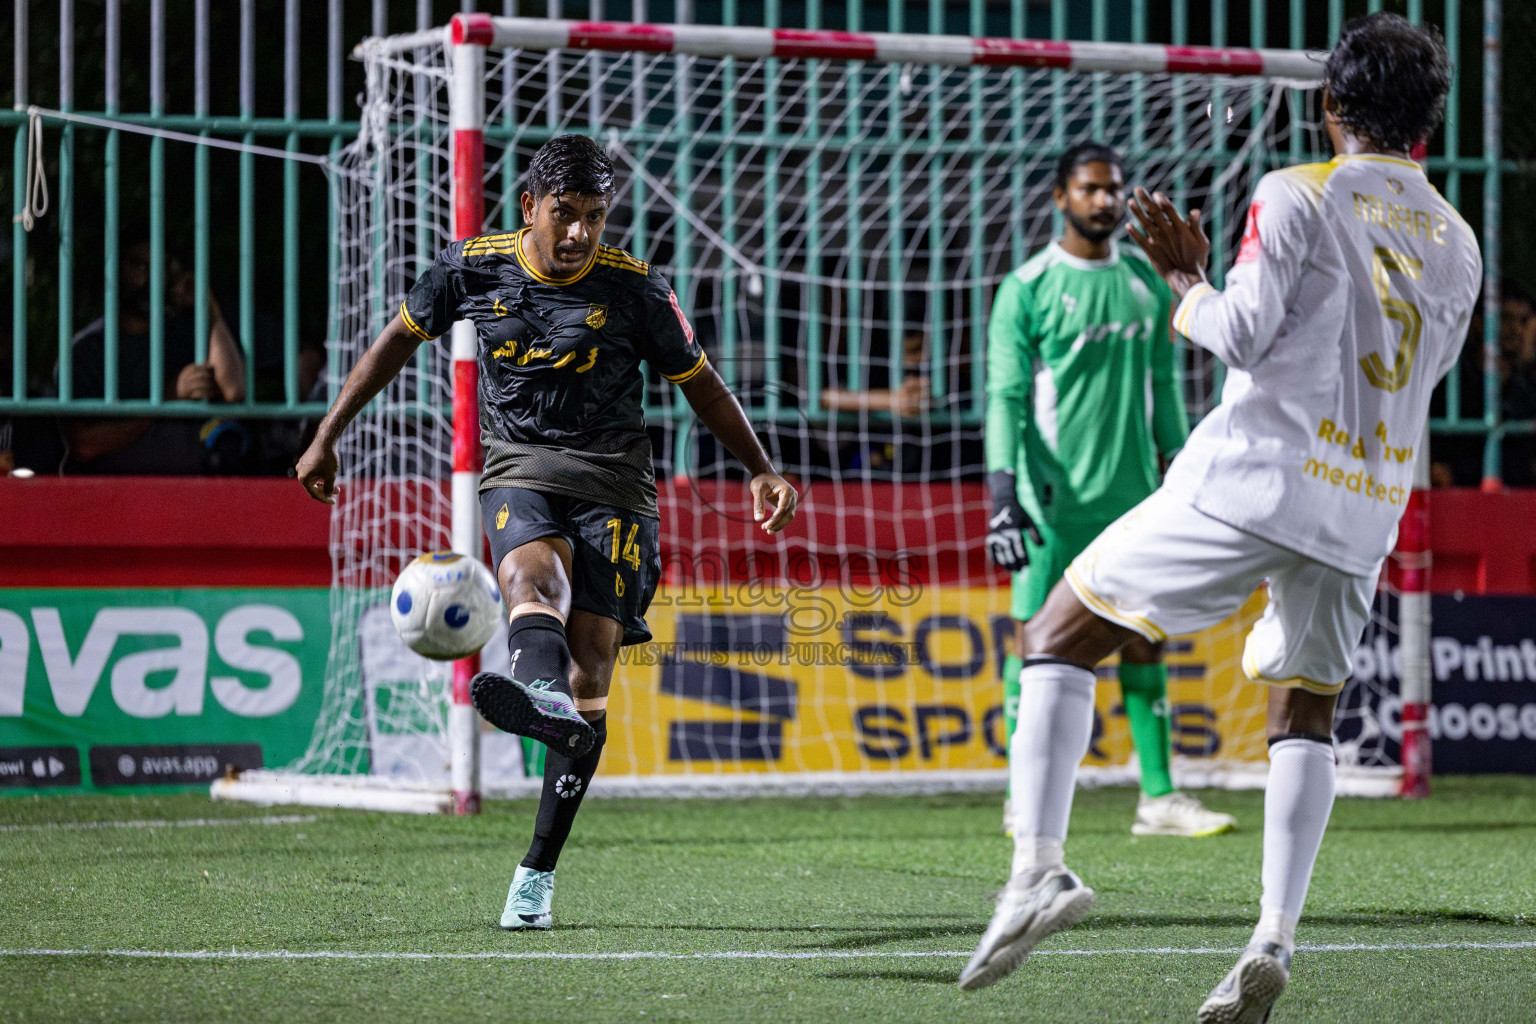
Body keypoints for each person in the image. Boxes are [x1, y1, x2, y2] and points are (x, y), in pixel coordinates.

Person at [959, 15, 1479, 1022]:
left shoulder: (1295, 192)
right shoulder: (1459, 237)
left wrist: (1185, 281)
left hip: (1254, 475)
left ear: (1331, 105)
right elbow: (1426, 375)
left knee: (1059, 633)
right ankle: (1273, 937)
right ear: (1428, 122)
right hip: (1365, 503)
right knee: (1304, 712)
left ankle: (1039, 870)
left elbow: (1238, 335)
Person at [295, 135, 798, 931]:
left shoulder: (635, 288)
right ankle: (541, 689)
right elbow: (395, 340)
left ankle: (536, 868)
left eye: (595, 218)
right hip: (521, 468)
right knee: (532, 579)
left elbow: (701, 383)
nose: (578, 235)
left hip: (618, 486)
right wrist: (329, 432)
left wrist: (760, 467)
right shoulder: (472, 266)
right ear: (529, 206)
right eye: (565, 215)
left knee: (594, 662)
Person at [985, 142, 1234, 840]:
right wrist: (1004, 491)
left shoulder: (1147, 282)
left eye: (1113, 188)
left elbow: (1165, 387)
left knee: (1144, 636)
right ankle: (1021, 796)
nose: (1105, 200)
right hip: (1052, 502)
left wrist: (1182, 463)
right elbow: (1004, 396)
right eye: (1090, 189)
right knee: (1034, 640)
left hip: (1136, 499)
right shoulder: (1028, 287)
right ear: (1061, 197)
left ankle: (1159, 798)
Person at [60, 234, 245, 473]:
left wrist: (207, 305)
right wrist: (166, 400)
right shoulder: (88, 349)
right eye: (139, 265)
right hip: (114, 498)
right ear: (115, 271)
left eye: (161, 266)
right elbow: (84, 445)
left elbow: (234, 389)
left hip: (190, 495)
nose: (151, 276)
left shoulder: (183, 334)